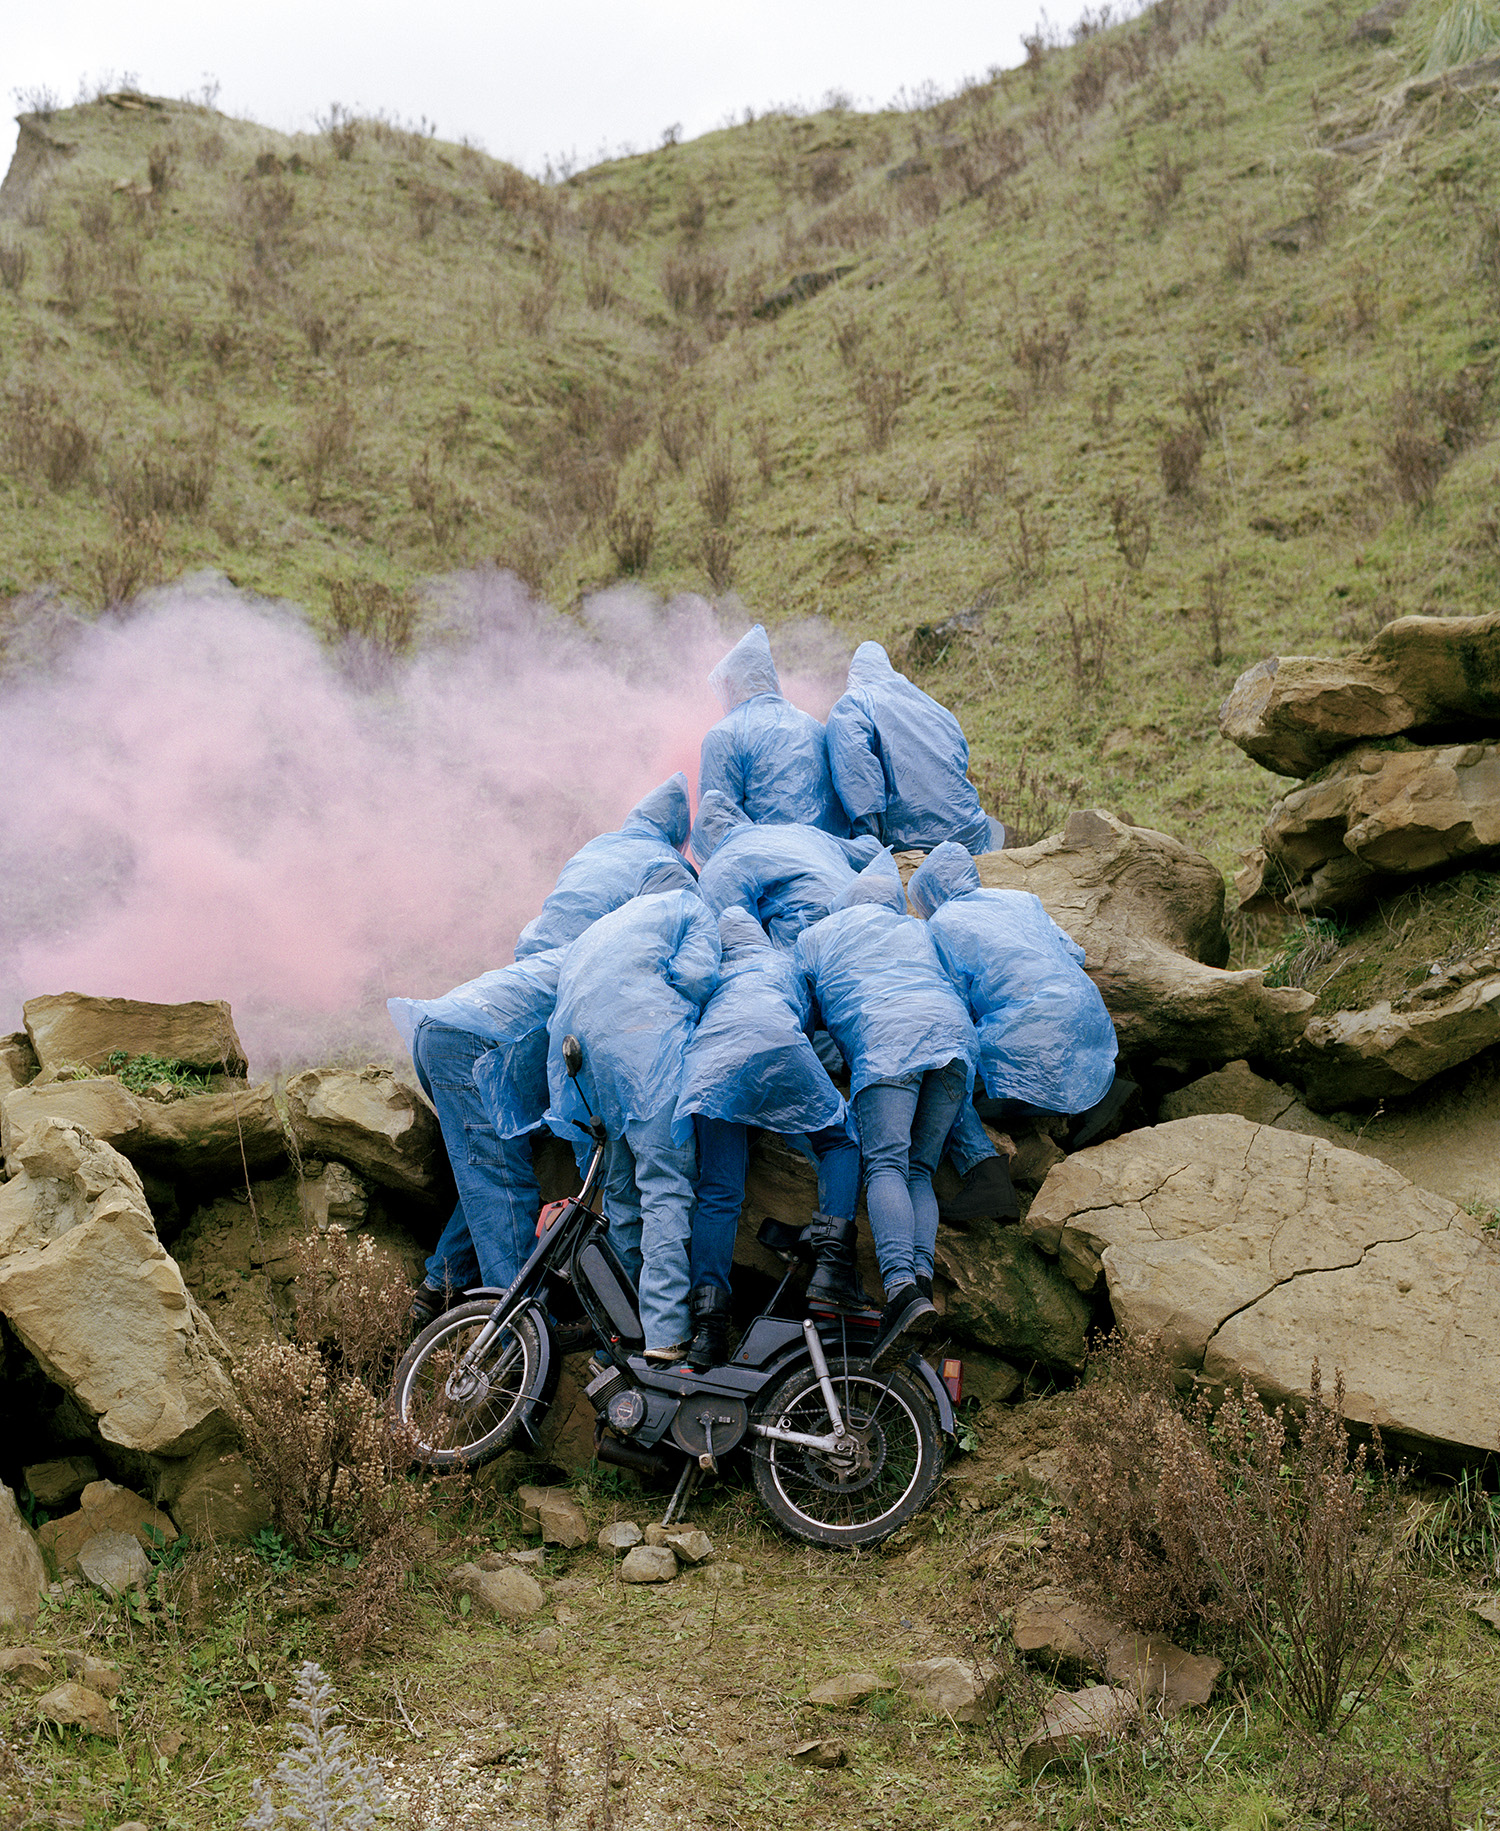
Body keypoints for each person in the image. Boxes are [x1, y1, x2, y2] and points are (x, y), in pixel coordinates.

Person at [793, 852, 980, 1366]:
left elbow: (798, 1017)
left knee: (886, 1164)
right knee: (920, 1167)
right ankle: (919, 1283)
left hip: (889, 1046)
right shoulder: (917, 931)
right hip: (953, 1045)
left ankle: (899, 1288)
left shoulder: (815, 939)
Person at [674, 907, 868, 1370]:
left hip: (709, 1067)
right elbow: (811, 1028)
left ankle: (708, 1333)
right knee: (839, 1142)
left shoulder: (713, 976)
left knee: (719, 1194)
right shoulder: (785, 962)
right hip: (777, 1042)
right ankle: (831, 1268)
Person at [545, 860, 721, 1363]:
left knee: (620, 1196)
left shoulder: (599, 927)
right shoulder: (691, 909)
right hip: (647, 1055)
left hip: (584, 1065)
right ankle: (665, 1334)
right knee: (664, 1185)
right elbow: (697, 977)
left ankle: (618, 1335)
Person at [388, 950, 565, 1327]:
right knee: (502, 1187)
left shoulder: (574, 949)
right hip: (469, 1047)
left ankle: (436, 1291)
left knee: (486, 1175)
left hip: (445, 1031)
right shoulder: (622, 973)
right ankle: (520, 1339)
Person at [908, 841, 1123, 1152]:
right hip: (1088, 1013)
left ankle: (1053, 1119)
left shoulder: (943, 923)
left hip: (1031, 1031)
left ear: (929, 893)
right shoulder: (1022, 900)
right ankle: (1106, 1097)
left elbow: (954, 1005)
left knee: (970, 1089)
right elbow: (1076, 955)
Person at [825, 642, 1004, 855]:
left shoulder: (852, 706)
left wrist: (869, 842)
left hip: (911, 845)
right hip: (971, 835)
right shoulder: (934, 707)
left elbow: (858, 777)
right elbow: (959, 760)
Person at [515, 773, 694, 959]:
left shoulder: (599, 842)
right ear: (678, 831)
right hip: (583, 953)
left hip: (540, 943)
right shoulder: (669, 859)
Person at [698, 624, 849, 835]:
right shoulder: (812, 725)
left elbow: (716, 827)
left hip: (771, 861)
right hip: (834, 854)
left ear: (731, 684)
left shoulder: (723, 736)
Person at [692, 790, 881, 946]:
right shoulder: (794, 831)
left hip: (812, 928)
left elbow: (737, 938)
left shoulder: (721, 865)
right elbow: (870, 852)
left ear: (703, 845)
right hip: (864, 908)